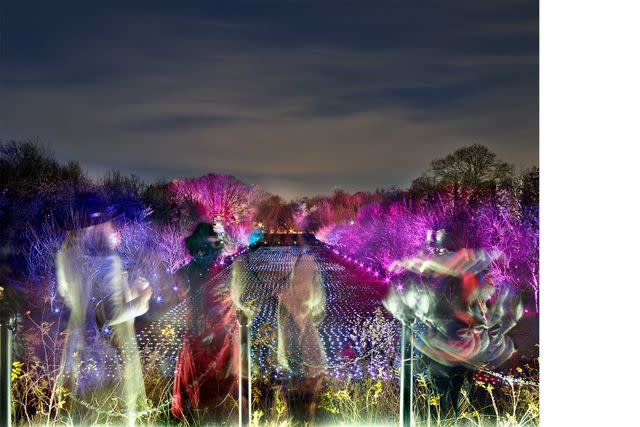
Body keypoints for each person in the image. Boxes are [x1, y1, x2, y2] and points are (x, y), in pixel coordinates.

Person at [55, 196, 151, 426]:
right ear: (98, 227)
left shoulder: (67, 258)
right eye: (109, 222)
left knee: (82, 414)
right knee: (111, 412)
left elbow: (74, 299)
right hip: (109, 349)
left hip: (78, 344)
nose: (113, 228)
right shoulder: (106, 261)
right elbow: (112, 314)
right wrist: (142, 299)